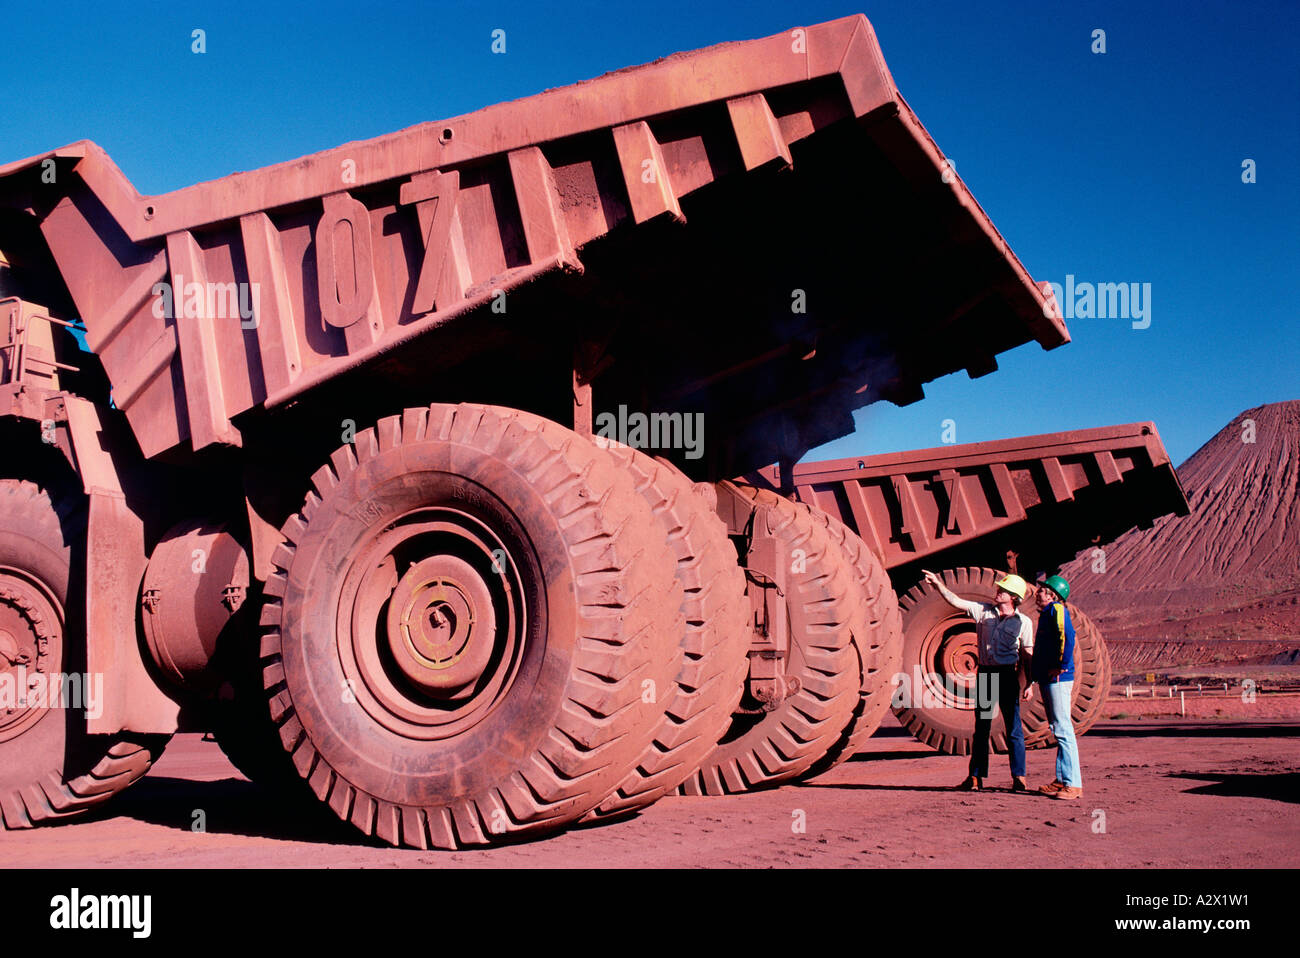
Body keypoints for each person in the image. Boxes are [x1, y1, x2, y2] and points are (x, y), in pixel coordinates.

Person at [921, 569, 1034, 792]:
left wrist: (1030, 683)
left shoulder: (1024, 622)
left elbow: (1027, 654)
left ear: (1013, 596)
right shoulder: (983, 611)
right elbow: (956, 601)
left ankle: (1019, 777)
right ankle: (975, 778)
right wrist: (937, 585)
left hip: (1008, 676)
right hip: (986, 676)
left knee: (1014, 728)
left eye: (1003, 590)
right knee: (981, 728)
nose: (998, 591)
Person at [1031, 575, 1082, 800]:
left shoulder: (1057, 610)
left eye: (1042, 590)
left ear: (1053, 595)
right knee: (1057, 728)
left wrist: (1061, 666)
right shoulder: (1045, 614)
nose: (1037, 593)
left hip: (1058, 679)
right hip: (1048, 678)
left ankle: (1074, 784)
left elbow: (1068, 636)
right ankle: (1062, 781)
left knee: (1063, 729)